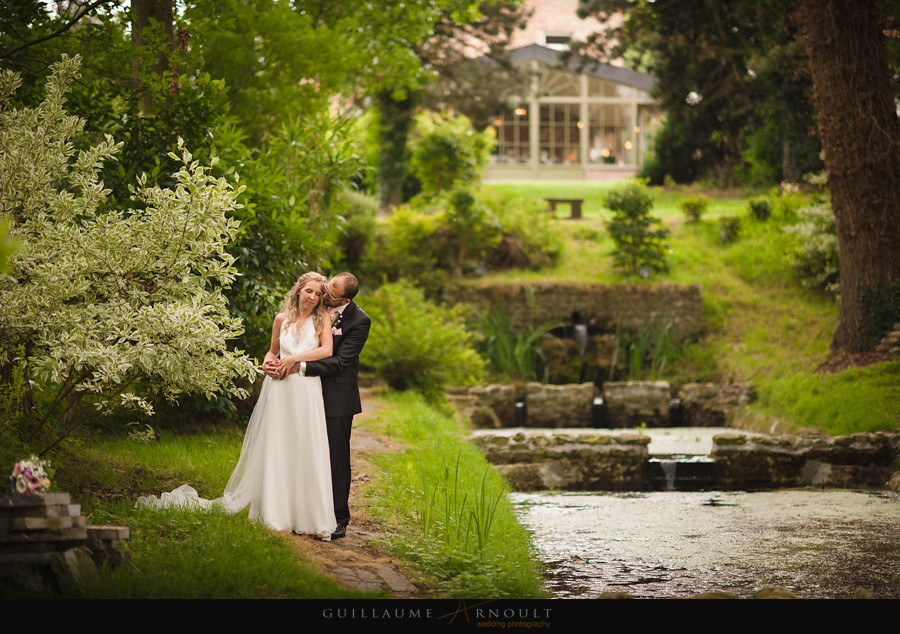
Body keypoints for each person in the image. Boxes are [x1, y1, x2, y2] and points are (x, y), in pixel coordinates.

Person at [137, 272, 339, 540]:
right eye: (308, 291)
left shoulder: (322, 319)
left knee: (304, 445)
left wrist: (293, 360)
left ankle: (308, 516)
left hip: (304, 389)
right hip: (279, 389)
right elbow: (272, 351)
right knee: (278, 446)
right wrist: (267, 362)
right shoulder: (282, 319)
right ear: (299, 291)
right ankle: (276, 513)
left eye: (317, 293)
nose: (313, 297)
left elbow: (326, 351)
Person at [288, 272, 370, 540]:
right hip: (305, 394)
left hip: (337, 398)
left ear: (343, 299)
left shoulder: (359, 321)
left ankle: (338, 519)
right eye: (325, 287)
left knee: (336, 458)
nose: (322, 295)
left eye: (329, 293)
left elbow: (340, 362)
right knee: (306, 453)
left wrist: (301, 366)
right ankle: (305, 511)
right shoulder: (318, 304)